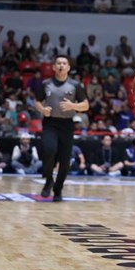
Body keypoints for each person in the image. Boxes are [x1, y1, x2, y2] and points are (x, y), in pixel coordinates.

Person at [34, 55, 89, 201]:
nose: (61, 65)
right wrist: (42, 109)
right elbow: (37, 101)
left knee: (65, 162)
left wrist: (73, 106)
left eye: (64, 63)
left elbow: (86, 105)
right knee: (48, 150)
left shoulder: (75, 85)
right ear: (53, 67)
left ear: (68, 68)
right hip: (50, 123)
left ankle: (58, 190)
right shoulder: (46, 84)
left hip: (66, 125)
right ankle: (48, 180)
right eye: (58, 63)